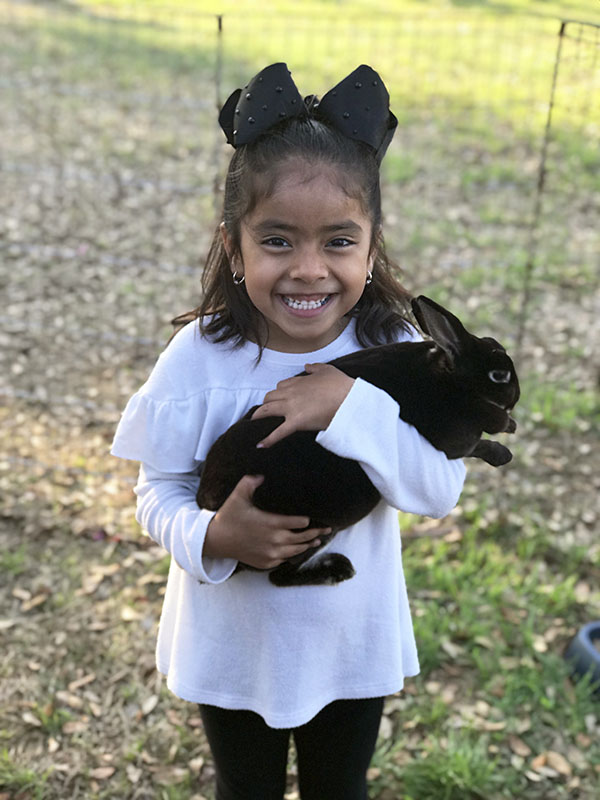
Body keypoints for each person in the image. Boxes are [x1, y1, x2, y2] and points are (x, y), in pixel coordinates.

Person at [111, 63, 466, 800]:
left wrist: (349, 404)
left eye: (339, 241)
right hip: (233, 646)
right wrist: (212, 538)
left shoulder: (398, 351)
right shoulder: (202, 355)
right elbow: (158, 490)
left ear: (371, 245)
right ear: (234, 246)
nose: (309, 270)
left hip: (347, 641)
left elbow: (438, 490)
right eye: (277, 241)